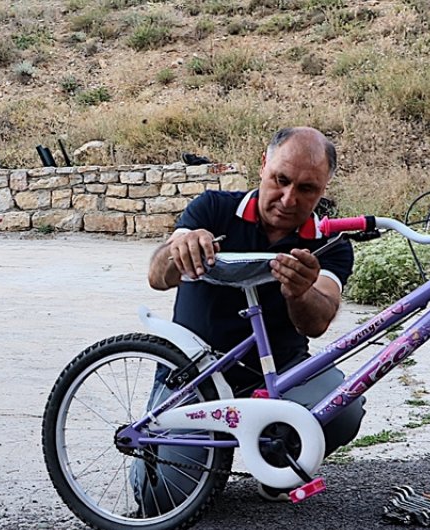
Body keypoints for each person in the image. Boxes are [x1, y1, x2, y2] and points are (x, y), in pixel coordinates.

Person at [132, 126, 365, 509]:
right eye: (281, 180)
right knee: (161, 501)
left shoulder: (330, 242)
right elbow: (158, 277)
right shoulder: (213, 208)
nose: (289, 199)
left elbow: (317, 322)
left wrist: (300, 292)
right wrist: (180, 248)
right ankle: (209, 455)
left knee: (344, 404)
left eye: (307, 189)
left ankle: (274, 466)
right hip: (191, 377)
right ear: (263, 165)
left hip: (279, 377)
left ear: (324, 189)